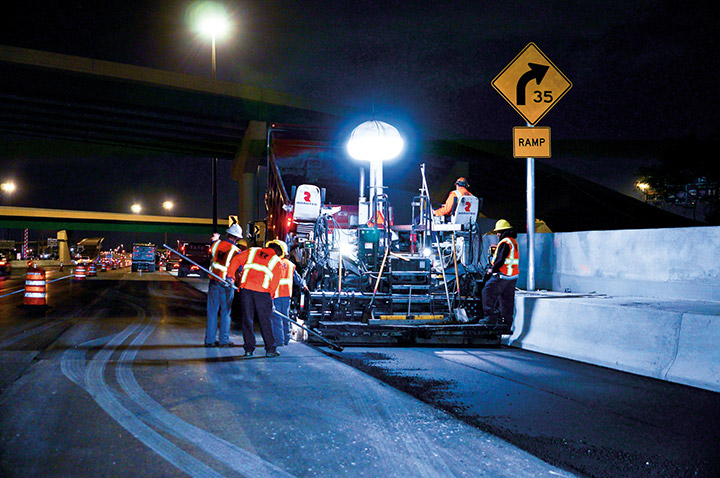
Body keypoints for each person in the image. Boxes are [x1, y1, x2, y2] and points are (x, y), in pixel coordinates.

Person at [233, 242, 284, 357]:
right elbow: (275, 282)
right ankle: (270, 349)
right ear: (277, 252)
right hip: (263, 293)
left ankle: (249, 349)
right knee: (265, 321)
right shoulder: (276, 261)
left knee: (247, 319)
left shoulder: (252, 251)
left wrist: (230, 276)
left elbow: (236, 260)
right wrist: (270, 296)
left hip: (246, 290)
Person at [205, 224, 243, 347]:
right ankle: (224, 340)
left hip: (214, 281)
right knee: (226, 312)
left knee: (212, 311)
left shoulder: (216, 245)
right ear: (237, 238)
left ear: (227, 234)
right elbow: (240, 268)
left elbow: (212, 250)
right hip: (227, 284)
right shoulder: (236, 251)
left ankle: (209, 340)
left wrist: (215, 239)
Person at [267, 240, 308, 347]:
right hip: (286, 295)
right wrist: (304, 286)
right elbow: (298, 279)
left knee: (276, 318)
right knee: (285, 317)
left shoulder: (274, 263)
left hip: (275, 294)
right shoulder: (291, 265)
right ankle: (286, 339)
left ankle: (278, 341)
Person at [481, 219, 519, 328]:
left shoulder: (505, 242)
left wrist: (492, 270)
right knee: (506, 300)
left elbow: (500, 259)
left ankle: (489, 318)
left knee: (487, 292)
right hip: (512, 277)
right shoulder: (512, 241)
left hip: (502, 275)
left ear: (502, 232)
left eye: (498, 232)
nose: (497, 235)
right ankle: (507, 323)